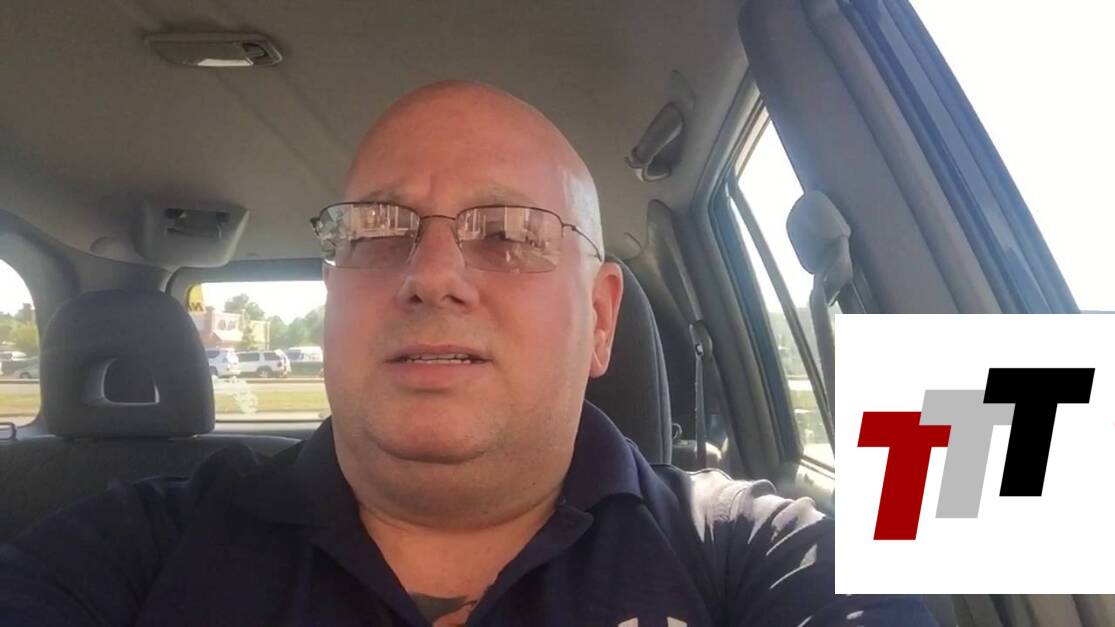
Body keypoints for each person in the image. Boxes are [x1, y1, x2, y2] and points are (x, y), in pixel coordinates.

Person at [0, 81, 935, 626]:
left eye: (510, 232)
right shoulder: (132, 551)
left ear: (599, 317)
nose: (432, 273)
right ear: (333, 294)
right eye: (376, 229)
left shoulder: (751, 553)